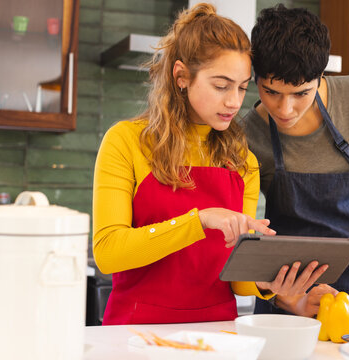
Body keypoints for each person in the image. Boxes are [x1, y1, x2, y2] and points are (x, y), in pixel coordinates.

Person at [92, 3, 328, 325]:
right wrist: (199, 221)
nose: (234, 101)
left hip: (218, 335)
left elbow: (235, 279)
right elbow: (108, 254)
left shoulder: (243, 161)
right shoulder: (126, 141)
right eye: (221, 86)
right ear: (182, 77)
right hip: (135, 333)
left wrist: (265, 282)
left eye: (243, 87)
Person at [240, 4, 349, 315]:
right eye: (270, 91)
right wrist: (284, 298)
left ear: (321, 76)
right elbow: (242, 234)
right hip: (290, 300)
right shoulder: (245, 134)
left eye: (301, 94)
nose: (284, 109)